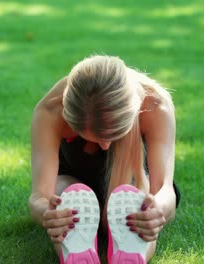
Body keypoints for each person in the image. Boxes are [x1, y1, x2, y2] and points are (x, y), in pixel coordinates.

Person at [28, 55, 180, 263]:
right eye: (89, 137)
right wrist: (49, 214)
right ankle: (77, 251)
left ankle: (129, 252)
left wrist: (157, 211)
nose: (105, 147)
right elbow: (39, 196)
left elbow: (164, 189)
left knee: (138, 202)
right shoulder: (50, 111)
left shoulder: (155, 106)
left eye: (113, 136)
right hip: (73, 182)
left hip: (132, 184)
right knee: (63, 195)